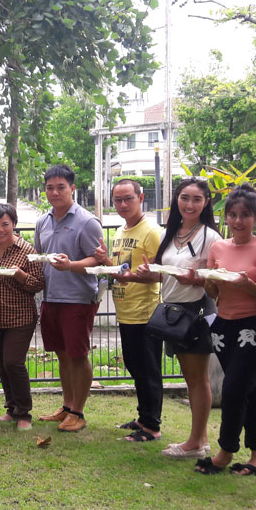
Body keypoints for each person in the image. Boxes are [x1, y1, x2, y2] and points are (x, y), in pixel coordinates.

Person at [134, 177, 221, 459]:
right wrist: (151, 274)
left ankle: (196, 443)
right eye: (184, 197)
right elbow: (166, 272)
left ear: (206, 202)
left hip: (195, 314)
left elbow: (215, 280)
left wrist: (197, 278)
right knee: (191, 378)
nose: (190, 204)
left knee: (198, 380)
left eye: (197, 199)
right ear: (176, 199)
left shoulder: (210, 237)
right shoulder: (174, 232)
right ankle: (200, 439)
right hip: (174, 313)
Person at [195, 184, 256, 475]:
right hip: (223, 324)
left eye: (245, 215)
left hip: (250, 325)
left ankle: (225, 451)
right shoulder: (218, 247)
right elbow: (214, 292)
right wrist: (208, 281)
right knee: (248, 390)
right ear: (226, 217)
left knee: (232, 390)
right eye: (232, 215)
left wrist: (247, 285)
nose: (238, 221)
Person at [93, 179, 164, 442]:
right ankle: (143, 417)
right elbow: (123, 271)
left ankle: (152, 426)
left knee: (148, 369)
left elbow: (161, 275)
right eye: (118, 200)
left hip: (145, 312)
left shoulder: (152, 232)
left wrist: (132, 277)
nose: (123, 204)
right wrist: (105, 262)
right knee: (135, 366)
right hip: (126, 311)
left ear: (141, 197)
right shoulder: (123, 231)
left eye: (128, 199)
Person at [34, 165, 103, 432]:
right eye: (50, 187)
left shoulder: (86, 221)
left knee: (78, 354)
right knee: (62, 355)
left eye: (60, 187)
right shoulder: (43, 221)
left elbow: (97, 260)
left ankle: (79, 411)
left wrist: (71, 265)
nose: (54, 192)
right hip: (51, 297)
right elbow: (41, 254)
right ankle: (66, 406)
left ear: (72, 188)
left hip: (78, 298)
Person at [0, 203, 45, 430]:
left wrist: (20, 275)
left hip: (20, 317)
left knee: (14, 362)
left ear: (14, 224)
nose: (0, 230)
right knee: (1, 364)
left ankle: (24, 413)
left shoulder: (27, 250)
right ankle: (11, 408)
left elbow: (38, 284)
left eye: (5, 224)